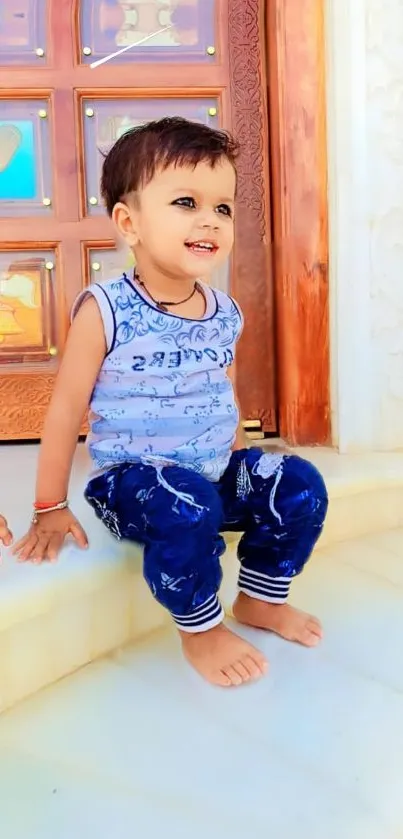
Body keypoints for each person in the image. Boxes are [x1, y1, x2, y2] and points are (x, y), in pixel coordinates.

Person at [13, 117, 328, 688]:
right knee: (186, 508)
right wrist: (47, 506)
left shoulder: (223, 310)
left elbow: (221, 393)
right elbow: (63, 413)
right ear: (129, 223)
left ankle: (261, 597)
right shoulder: (105, 309)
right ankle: (200, 630)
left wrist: (247, 466)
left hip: (209, 475)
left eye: (223, 208)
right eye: (186, 201)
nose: (210, 219)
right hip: (136, 486)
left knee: (298, 482)